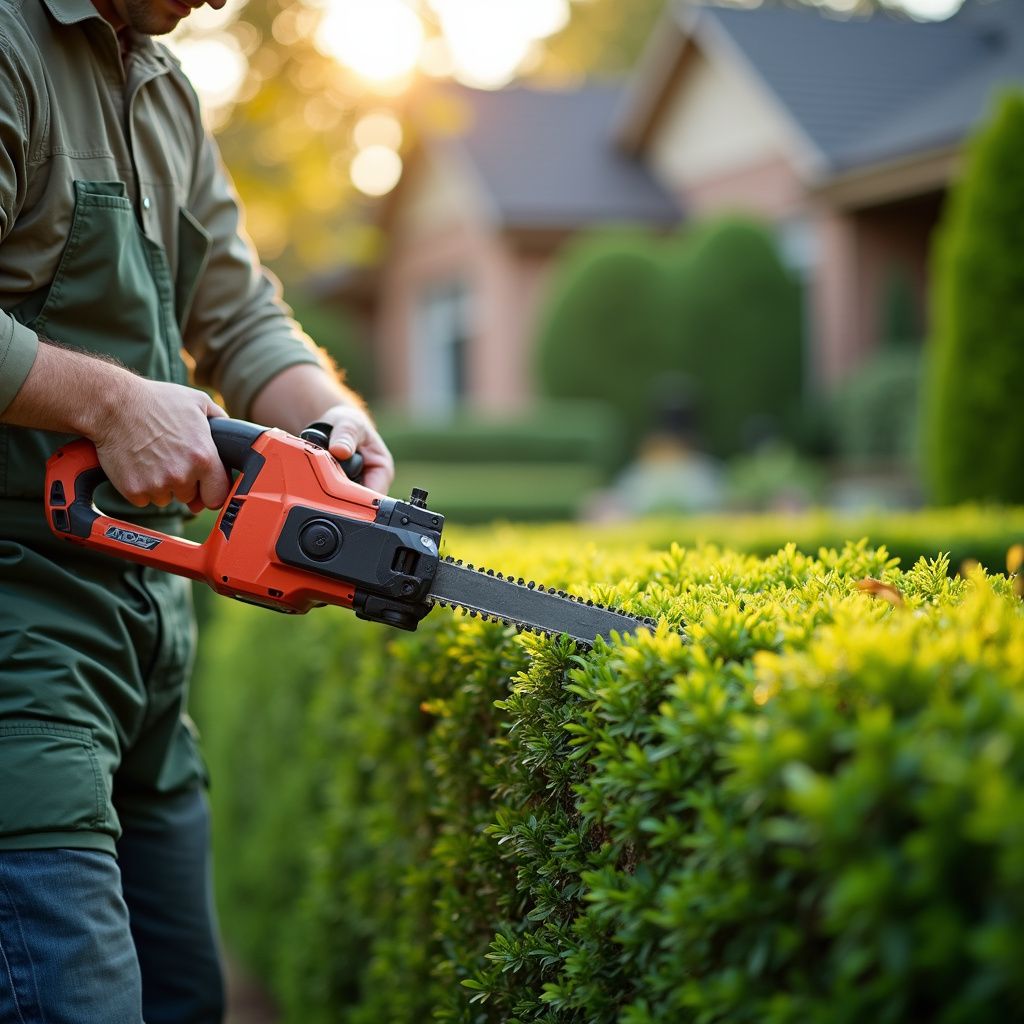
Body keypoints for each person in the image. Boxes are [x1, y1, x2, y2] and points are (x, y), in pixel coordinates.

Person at [0, 0, 394, 1019]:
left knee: (188, 997)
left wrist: (332, 421)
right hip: (20, 640)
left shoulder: (162, 84)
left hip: (145, 639)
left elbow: (235, 303)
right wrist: (112, 401)